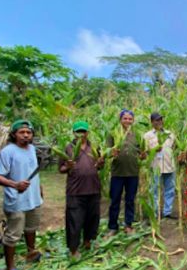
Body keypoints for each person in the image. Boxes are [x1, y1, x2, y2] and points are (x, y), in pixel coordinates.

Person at [0, 119, 43, 270]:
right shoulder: (8, 151)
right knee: (13, 235)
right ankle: (10, 268)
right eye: (22, 132)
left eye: (29, 132)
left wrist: (39, 188)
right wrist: (14, 184)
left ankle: (31, 252)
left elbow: (32, 170)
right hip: (17, 201)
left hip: (33, 198)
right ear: (14, 134)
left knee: (31, 228)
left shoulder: (32, 149)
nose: (26, 135)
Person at [59, 121, 104, 260]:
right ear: (73, 133)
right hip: (75, 191)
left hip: (93, 188)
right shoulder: (68, 148)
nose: (81, 134)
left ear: (87, 133)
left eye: (83, 131)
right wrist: (68, 166)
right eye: (78, 131)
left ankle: (88, 241)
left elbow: (100, 166)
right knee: (75, 220)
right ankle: (73, 249)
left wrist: (101, 163)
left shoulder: (95, 147)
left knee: (92, 218)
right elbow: (61, 169)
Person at [107, 109, 145, 235]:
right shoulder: (113, 133)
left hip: (133, 172)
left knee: (130, 200)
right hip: (117, 173)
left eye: (130, 119)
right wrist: (112, 153)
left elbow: (141, 152)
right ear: (120, 119)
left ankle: (128, 225)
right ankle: (113, 226)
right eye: (125, 118)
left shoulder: (137, 134)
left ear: (133, 120)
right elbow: (107, 153)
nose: (128, 121)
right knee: (115, 200)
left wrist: (144, 155)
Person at [143, 112, 177, 219]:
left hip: (169, 165)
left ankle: (167, 212)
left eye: (161, 119)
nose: (159, 122)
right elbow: (144, 152)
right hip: (155, 167)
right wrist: (153, 150)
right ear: (152, 122)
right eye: (157, 120)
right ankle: (155, 212)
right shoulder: (147, 136)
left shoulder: (170, 134)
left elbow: (174, 148)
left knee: (170, 190)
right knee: (154, 190)